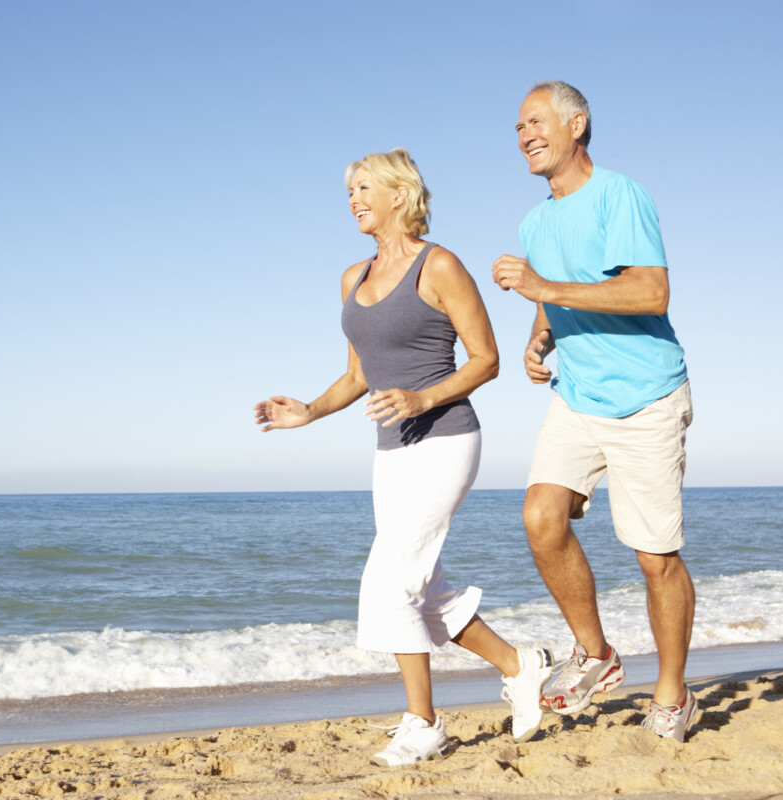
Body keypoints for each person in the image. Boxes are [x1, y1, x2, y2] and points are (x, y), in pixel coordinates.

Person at [254, 148, 554, 767]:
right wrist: (306, 411)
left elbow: (485, 359)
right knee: (422, 586)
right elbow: (358, 376)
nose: (354, 200)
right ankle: (520, 664)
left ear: (399, 193)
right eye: (349, 192)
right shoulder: (352, 279)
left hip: (446, 438)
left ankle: (423, 722)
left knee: (389, 581)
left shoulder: (439, 265)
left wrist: (422, 395)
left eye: (364, 188)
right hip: (391, 449)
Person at [491, 81, 698, 742]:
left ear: (576, 124)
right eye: (517, 127)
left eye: (535, 121)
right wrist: (538, 336)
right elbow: (550, 297)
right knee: (541, 516)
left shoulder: (619, 195)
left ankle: (672, 694)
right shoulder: (534, 222)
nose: (523, 134)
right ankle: (597, 655)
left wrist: (542, 286)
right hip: (577, 396)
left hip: (646, 398)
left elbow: (650, 290)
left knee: (654, 557)